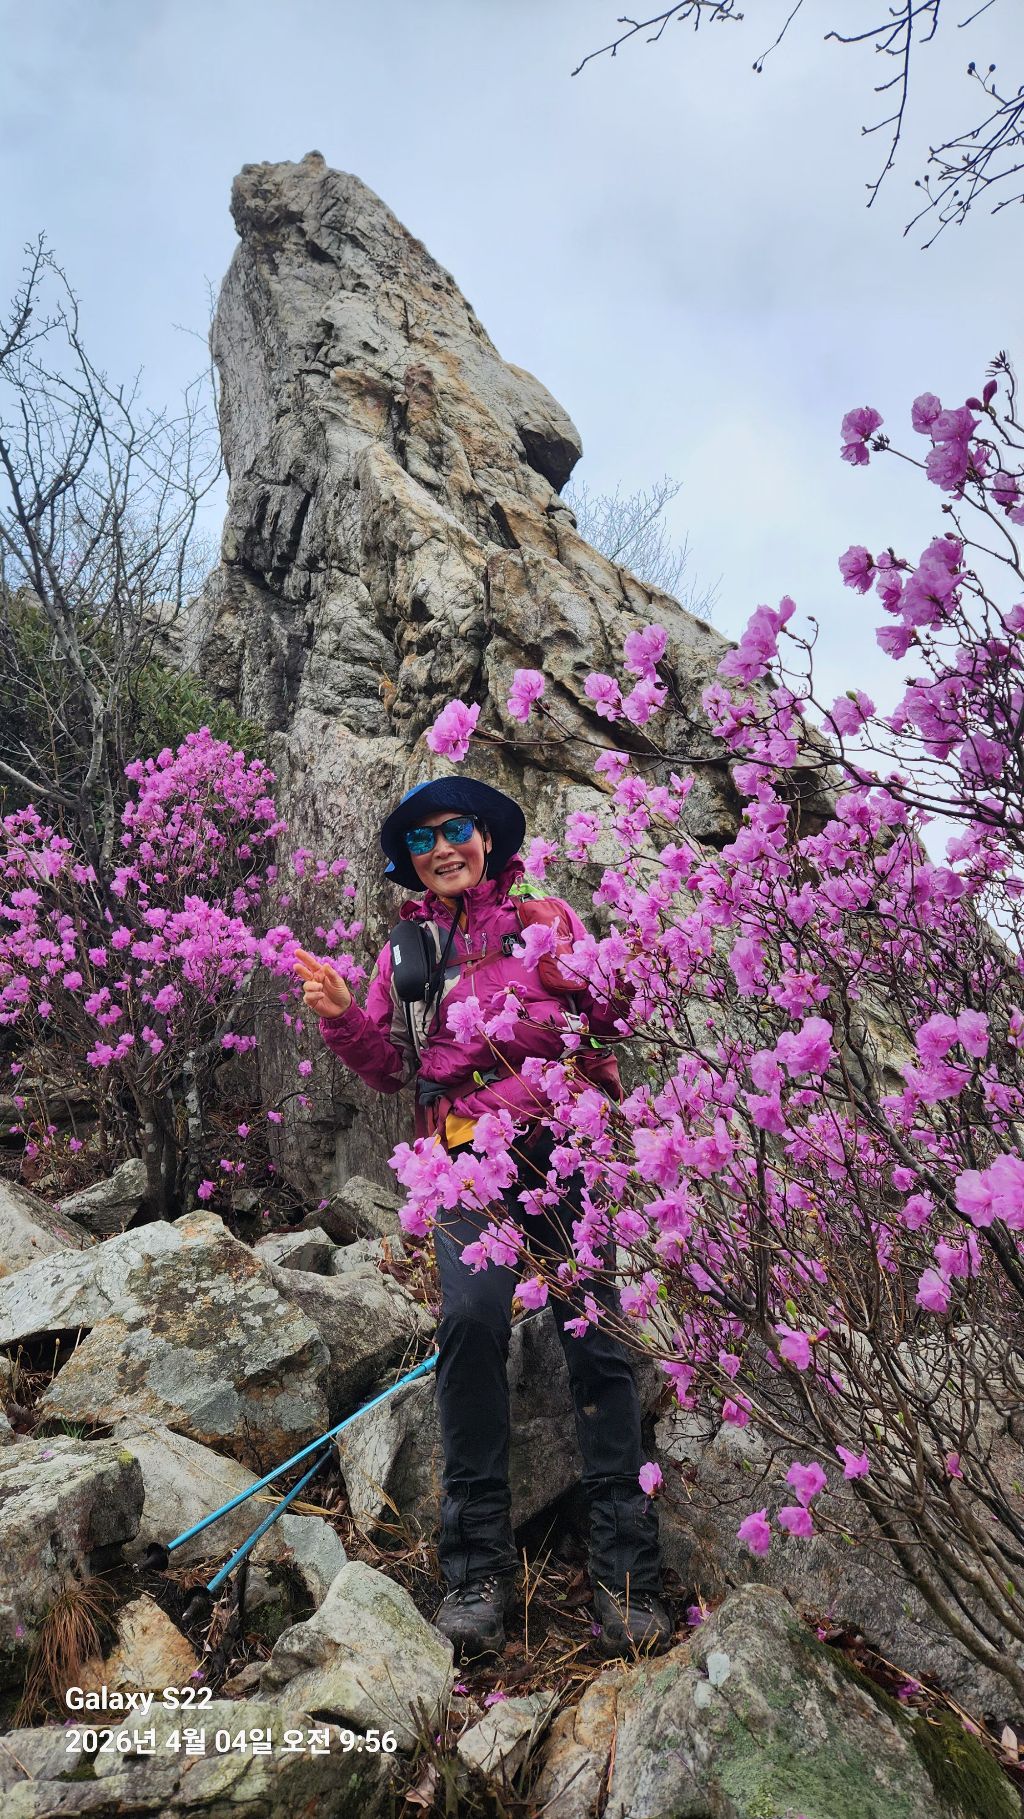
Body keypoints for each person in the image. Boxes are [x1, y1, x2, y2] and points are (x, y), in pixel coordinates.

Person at [294, 776, 670, 1661]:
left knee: (597, 1334)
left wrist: (628, 965)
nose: (441, 847)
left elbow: (608, 1015)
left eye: (455, 828)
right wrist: (345, 1018)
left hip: (563, 1142)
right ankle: (476, 1575)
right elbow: (392, 1068)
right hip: (464, 1153)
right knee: (468, 1322)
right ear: (410, 861)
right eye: (422, 840)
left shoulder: (546, 918)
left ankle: (627, 1575)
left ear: (487, 838)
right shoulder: (408, 950)